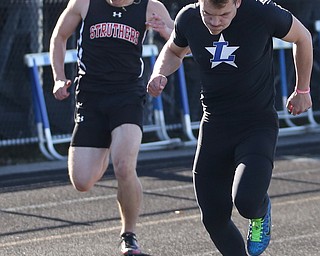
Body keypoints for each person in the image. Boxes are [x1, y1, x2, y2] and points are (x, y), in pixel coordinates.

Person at [147, 0, 313, 255]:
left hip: (256, 125)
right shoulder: (188, 18)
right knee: (213, 217)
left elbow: (302, 37)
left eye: (223, 15)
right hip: (214, 125)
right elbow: (173, 51)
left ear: (237, 2)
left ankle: (260, 209)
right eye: (208, 15)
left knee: (247, 200)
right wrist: (159, 73)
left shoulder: (263, 13)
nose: (215, 22)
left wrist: (302, 89)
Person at [49, 0, 173, 255]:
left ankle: (129, 236)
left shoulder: (151, 7)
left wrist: (165, 34)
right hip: (91, 96)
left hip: (127, 94)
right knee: (82, 181)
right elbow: (59, 36)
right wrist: (58, 77)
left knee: (125, 166)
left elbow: (180, 44)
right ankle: (108, 145)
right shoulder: (84, 2)